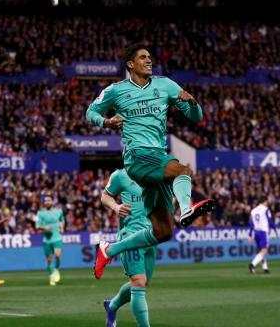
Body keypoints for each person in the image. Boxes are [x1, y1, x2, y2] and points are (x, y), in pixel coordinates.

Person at [86, 43, 215, 279]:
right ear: (130, 64)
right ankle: (186, 208)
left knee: (163, 231)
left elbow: (197, 117)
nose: (149, 60)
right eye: (143, 57)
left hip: (156, 157)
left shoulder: (165, 84)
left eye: (150, 57)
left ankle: (109, 249)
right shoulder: (116, 90)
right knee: (182, 169)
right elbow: (91, 112)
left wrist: (193, 103)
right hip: (137, 157)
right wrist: (105, 122)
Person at [101, 169, 156, 327]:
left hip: (151, 236)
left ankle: (112, 306)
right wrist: (116, 207)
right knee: (138, 281)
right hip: (130, 235)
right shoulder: (120, 175)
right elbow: (105, 196)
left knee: (143, 282)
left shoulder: (154, 175)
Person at [35, 195, 64, 286]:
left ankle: (56, 270)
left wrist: (62, 227)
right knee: (49, 259)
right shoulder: (40, 213)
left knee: (58, 255)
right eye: (45, 201)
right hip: (47, 240)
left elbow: (62, 220)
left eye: (49, 200)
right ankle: (51, 276)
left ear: (52, 201)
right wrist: (44, 227)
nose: (47, 202)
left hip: (57, 237)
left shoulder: (59, 211)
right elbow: (37, 226)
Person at [248, 197, 276, 274]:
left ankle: (265, 268)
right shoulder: (266, 209)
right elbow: (269, 221)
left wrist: (250, 235)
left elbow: (251, 223)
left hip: (256, 232)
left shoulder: (253, 210)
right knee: (264, 251)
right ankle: (252, 264)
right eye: (267, 202)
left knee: (261, 251)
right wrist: (275, 229)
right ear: (265, 201)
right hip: (263, 232)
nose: (267, 203)